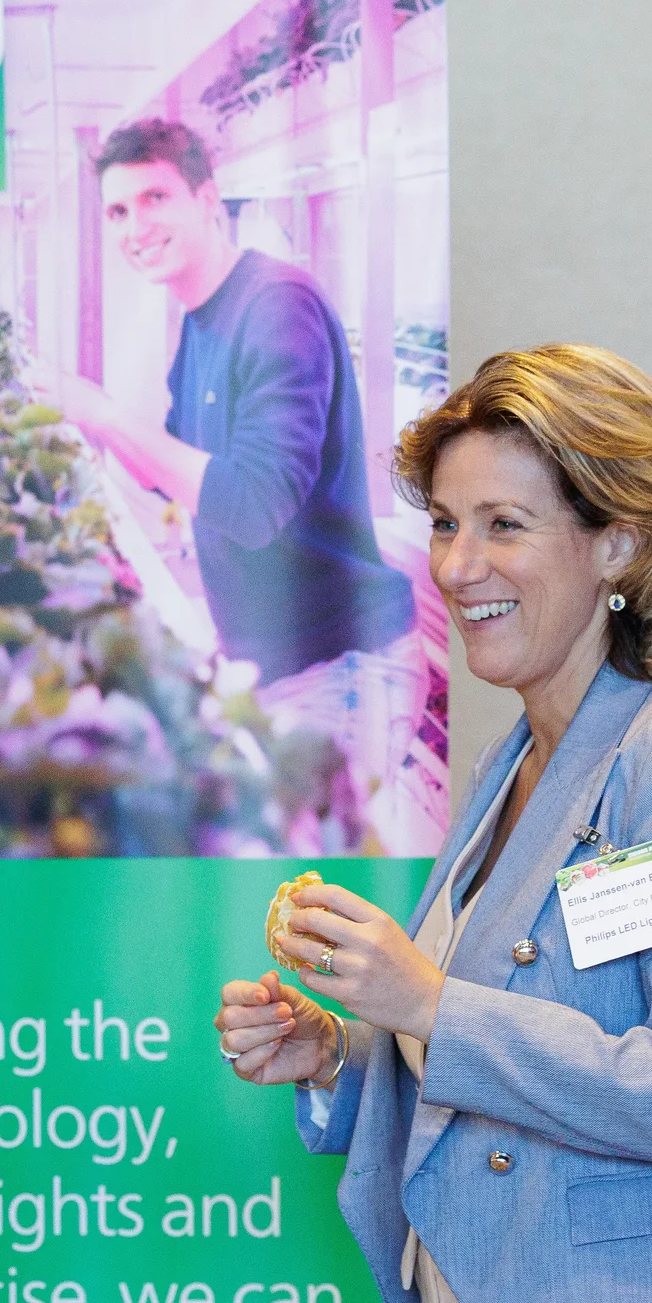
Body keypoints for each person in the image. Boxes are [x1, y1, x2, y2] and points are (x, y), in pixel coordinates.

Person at [213, 346, 652, 1303]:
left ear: (619, 542)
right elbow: (510, 1036)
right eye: (443, 523)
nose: (457, 564)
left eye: (503, 523)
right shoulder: (512, 765)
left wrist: (425, 998)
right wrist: (338, 1049)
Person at [55, 117, 419, 816]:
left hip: (340, 666)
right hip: (279, 664)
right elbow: (173, 468)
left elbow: (253, 503)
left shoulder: (277, 306)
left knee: (306, 895)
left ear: (207, 199)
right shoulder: (201, 319)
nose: (136, 226)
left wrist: (100, 412)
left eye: (156, 198)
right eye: (118, 211)